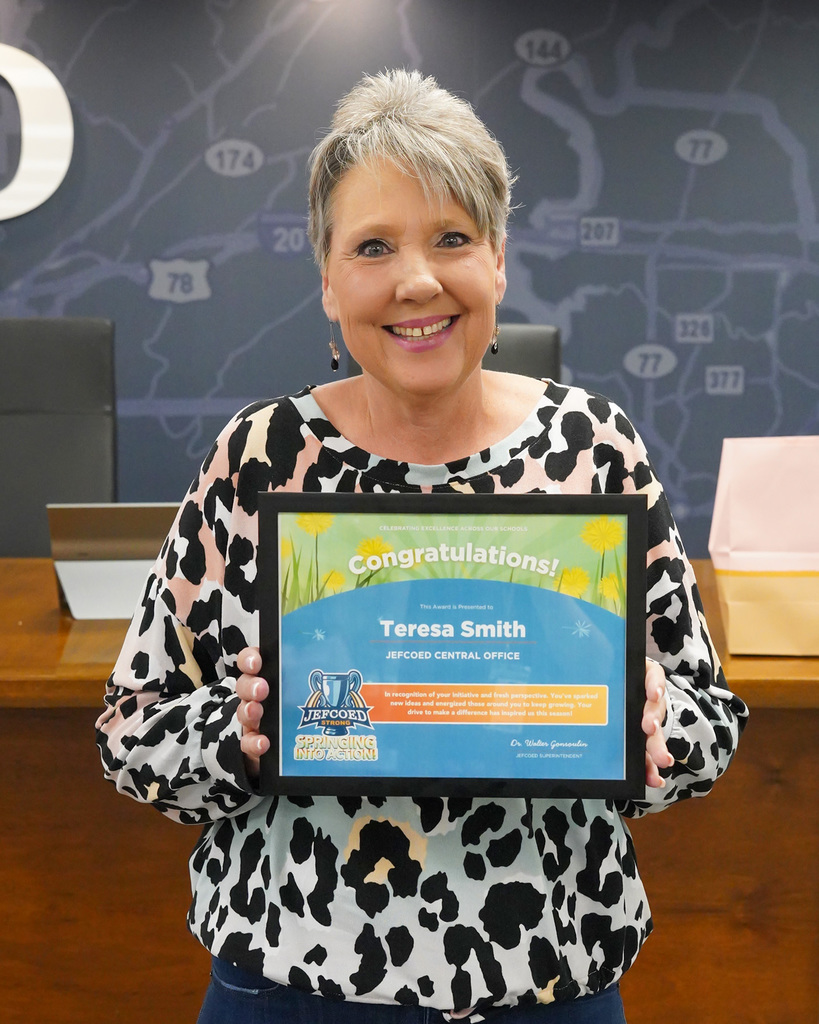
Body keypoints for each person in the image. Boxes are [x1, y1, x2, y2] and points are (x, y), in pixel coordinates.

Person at [96, 69, 748, 1023]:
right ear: (327, 280)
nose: (416, 279)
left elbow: (708, 723)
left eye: (452, 238)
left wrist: (648, 728)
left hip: (546, 981)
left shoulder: (594, 449)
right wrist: (239, 738)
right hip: (294, 984)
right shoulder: (257, 458)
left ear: (497, 261)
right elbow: (131, 732)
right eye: (372, 246)